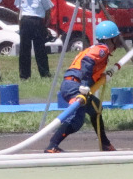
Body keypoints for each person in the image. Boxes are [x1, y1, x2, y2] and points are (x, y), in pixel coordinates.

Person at [45, 20, 124, 153]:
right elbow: (87, 64)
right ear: (110, 39)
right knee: (76, 120)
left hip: (71, 83)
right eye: (115, 39)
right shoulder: (102, 50)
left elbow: (90, 69)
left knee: (96, 108)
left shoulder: (96, 49)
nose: (116, 43)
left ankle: (105, 144)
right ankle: (52, 146)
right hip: (75, 85)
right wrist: (84, 85)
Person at [14, 0, 54, 81]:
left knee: (40, 50)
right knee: (24, 51)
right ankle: (24, 76)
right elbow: (19, 11)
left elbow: (48, 10)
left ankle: (45, 74)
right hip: (25, 22)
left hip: (37, 22)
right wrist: (20, 24)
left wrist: (45, 25)